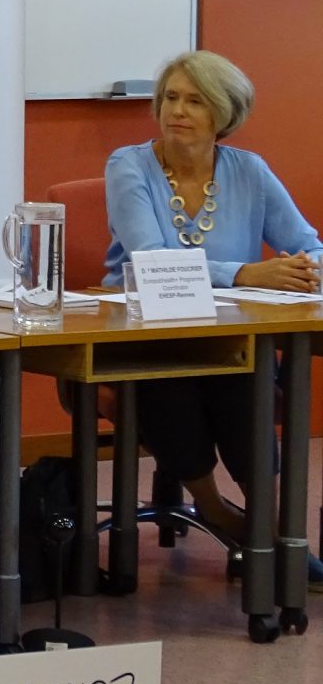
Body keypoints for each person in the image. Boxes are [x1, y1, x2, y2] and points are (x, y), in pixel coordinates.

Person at [103, 50, 322, 555]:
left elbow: (308, 244)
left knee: (246, 382)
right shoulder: (128, 165)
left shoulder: (250, 171)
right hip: (141, 331)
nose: (177, 111)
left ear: (224, 113)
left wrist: (306, 269)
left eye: (195, 101)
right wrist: (244, 273)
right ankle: (215, 508)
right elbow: (152, 259)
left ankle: (271, 528)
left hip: (227, 334)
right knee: (171, 383)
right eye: (170, 98)